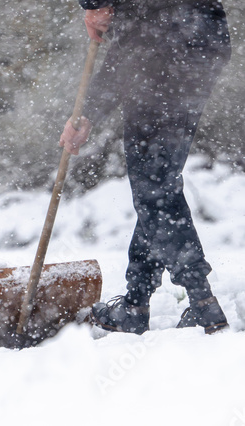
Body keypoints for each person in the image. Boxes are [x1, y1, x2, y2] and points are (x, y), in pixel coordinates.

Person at [60, 0, 232, 334]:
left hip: (162, 37)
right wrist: (91, 111)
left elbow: (139, 41)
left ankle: (202, 302)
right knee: (158, 182)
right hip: (204, 39)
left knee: (154, 188)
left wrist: (94, 4)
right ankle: (137, 302)